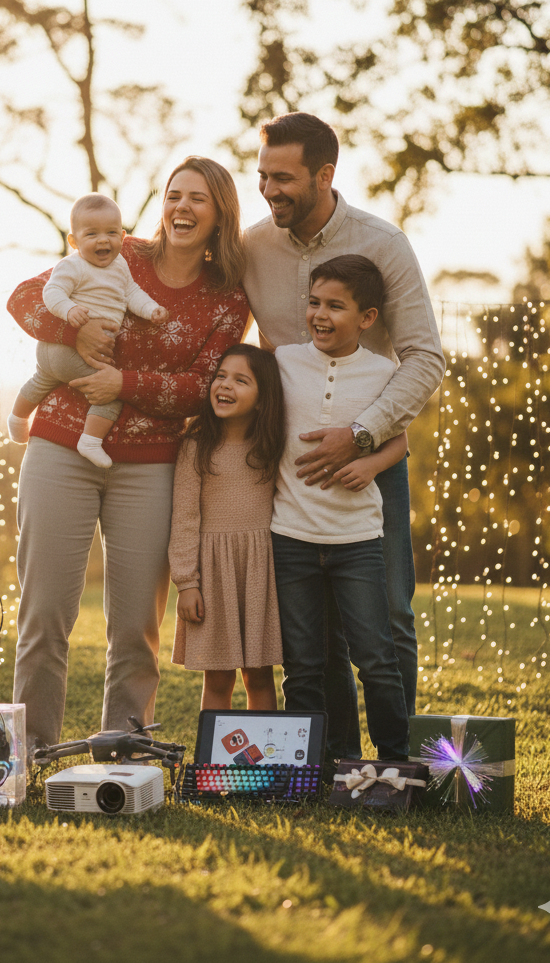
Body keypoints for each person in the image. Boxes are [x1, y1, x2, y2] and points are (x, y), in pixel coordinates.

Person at [6, 157, 251, 749]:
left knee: (137, 626)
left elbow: (203, 387)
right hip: (62, 446)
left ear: (220, 214)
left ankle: (124, 753)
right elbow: (24, 299)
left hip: (152, 464)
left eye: (197, 198)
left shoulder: (227, 298)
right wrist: (73, 331)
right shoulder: (120, 251)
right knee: (43, 615)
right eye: (174, 195)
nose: (182, 207)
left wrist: (125, 383)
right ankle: (30, 752)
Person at [243, 112, 445, 758]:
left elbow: (424, 358)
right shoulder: (252, 248)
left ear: (324, 174)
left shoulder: (384, 243)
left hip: (371, 459)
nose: (269, 190)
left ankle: (398, 764)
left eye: (283, 178)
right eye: (262, 176)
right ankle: (334, 761)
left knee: (390, 616)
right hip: (294, 473)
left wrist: (361, 437)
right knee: (315, 636)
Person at [272, 254, 410, 760]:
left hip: (357, 541)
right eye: (314, 303)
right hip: (291, 537)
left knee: (376, 659)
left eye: (335, 306)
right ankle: (312, 766)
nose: (320, 315)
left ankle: (395, 763)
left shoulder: (383, 372)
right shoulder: (284, 361)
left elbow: (399, 442)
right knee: (302, 666)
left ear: (367, 317)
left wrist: (371, 465)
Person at [8, 193, 168, 469]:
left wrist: (151, 309)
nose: (102, 240)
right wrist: (69, 310)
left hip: (52, 355)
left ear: (123, 236)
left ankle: (17, 418)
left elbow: (132, 294)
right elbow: (52, 292)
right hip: (69, 350)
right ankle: (91, 441)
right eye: (92, 234)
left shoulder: (120, 265)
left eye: (111, 233)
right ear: (74, 241)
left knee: (40, 381)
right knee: (111, 391)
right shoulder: (73, 265)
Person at [169, 344, 286, 711]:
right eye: (220, 376)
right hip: (213, 576)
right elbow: (184, 518)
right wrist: (187, 583)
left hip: (259, 574)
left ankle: (264, 749)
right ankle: (212, 750)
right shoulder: (196, 446)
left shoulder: (272, 446)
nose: (225, 385)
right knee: (218, 678)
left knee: (260, 674)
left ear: (263, 399)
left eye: (240, 380)